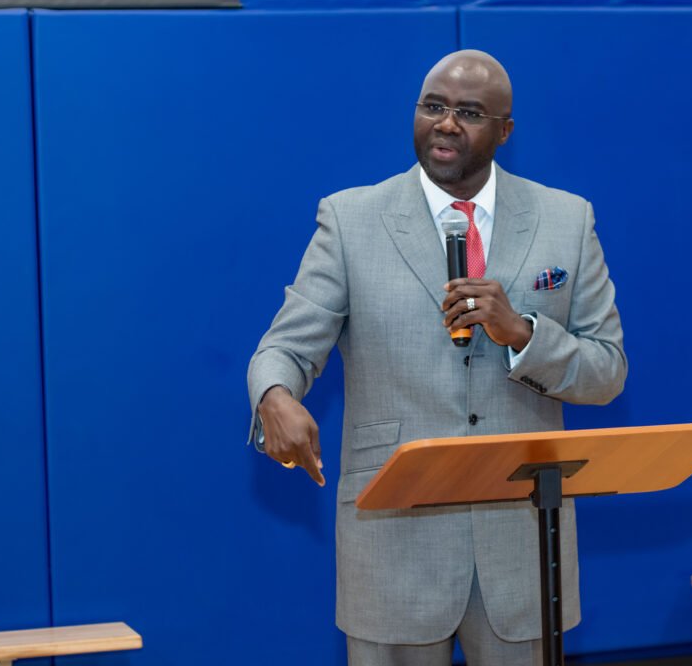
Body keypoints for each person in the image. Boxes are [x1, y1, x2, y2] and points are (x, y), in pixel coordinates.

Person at [247, 49, 626, 666]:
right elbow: (285, 347)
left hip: (521, 545)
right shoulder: (351, 219)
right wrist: (275, 396)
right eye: (433, 106)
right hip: (394, 539)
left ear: (505, 131)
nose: (446, 123)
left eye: (469, 113)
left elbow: (607, 369)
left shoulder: (566, 219)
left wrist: (522, 333)